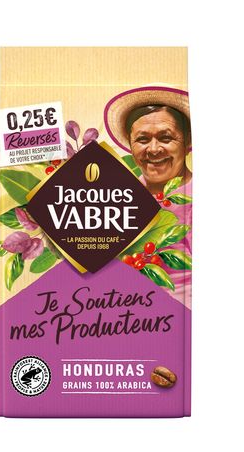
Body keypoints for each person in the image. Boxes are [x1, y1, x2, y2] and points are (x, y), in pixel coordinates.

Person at [104, 87, 192, 307]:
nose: (153, 149)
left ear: (187, 143)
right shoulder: (119, 195)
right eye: (142, 139)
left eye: (166, 138)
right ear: (130, 145)